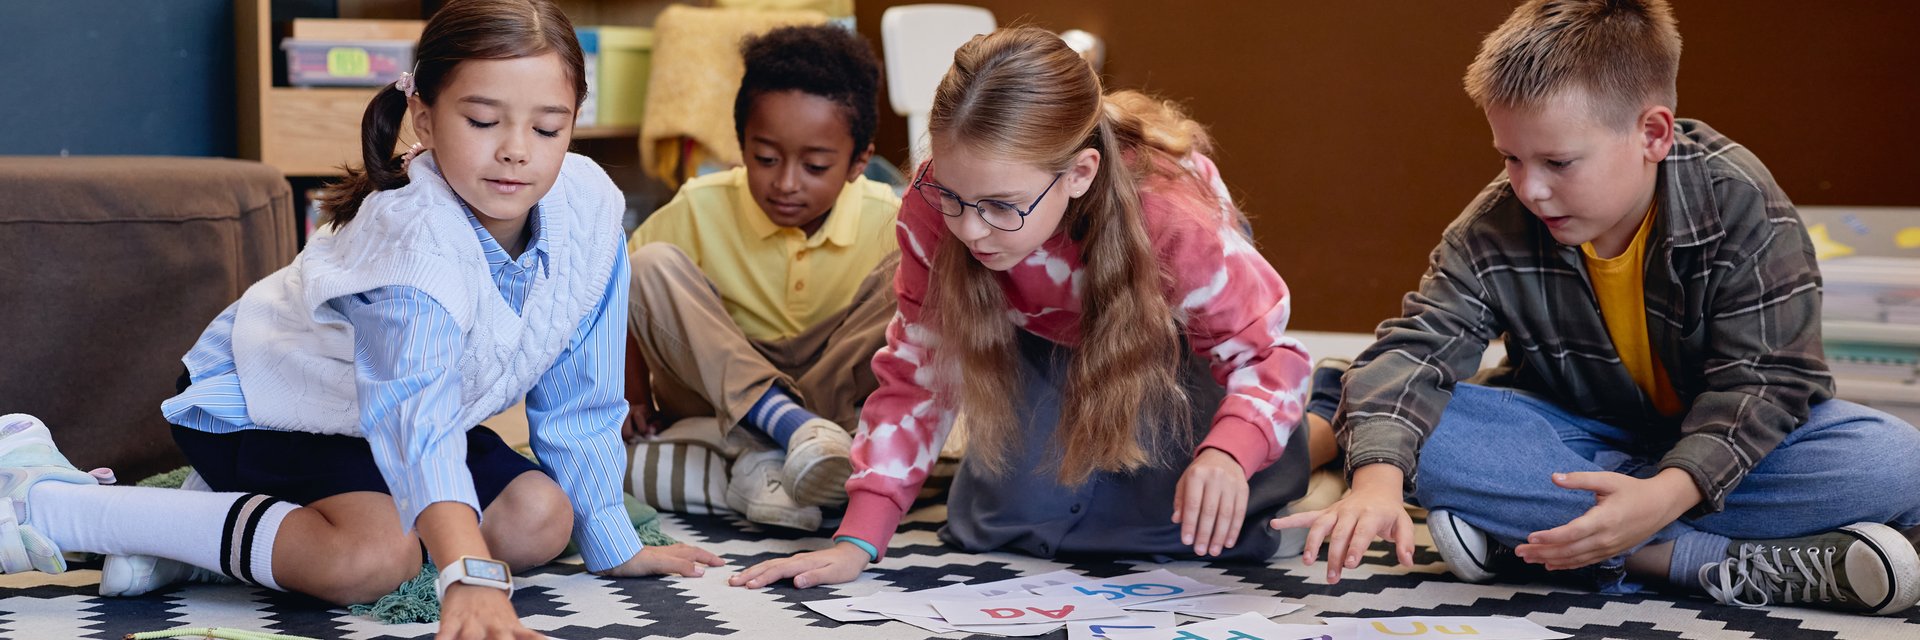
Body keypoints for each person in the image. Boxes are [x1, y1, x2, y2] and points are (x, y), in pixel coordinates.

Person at [0, 2, 722, 638]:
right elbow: (417, 423)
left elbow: (579, 390)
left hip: (395, 414)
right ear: (424, 116)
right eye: (482, 119)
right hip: (273, 405)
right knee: (370, 559)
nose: (515, 149)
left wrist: (611, 538)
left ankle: (211, 531)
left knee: (542, 517)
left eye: (548, 126)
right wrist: (466, 577)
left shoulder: (589, 207)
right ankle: (65, 505)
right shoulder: (413, 238)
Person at [1276, 0, 1920, 615]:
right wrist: (1378, 481)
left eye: (1558, 161)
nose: (1529, 187)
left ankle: (1537, 539)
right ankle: (1699, 561)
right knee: (1431, 439)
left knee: (1893, 462)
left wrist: (1666, 493)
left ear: (1653, 134)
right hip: (1580, 435)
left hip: (1718, 451)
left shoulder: (1737, 200)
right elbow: (1417, 350)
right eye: (1510, 157)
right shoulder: (1495, 224)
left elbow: (1771, 383)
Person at [730, 26, 1334, 590]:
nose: (969, 229)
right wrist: (858, 539)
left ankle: (1328, 422)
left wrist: (1228, 454)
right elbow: (918, 371)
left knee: (1198, 523)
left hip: (1166, 333)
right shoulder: (934, 206)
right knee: (1000, 524)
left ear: (1079, 174)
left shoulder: (1174, 221)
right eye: (952, 196)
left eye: (999, 205)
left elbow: (1265, 355)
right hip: (1043, 327)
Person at [623, 24, 899, 531]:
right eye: (765, 159)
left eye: (815, 166)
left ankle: (765, 453)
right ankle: (788, 429)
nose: (786, 183)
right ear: (741, 144)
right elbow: (619, 297)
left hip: (832, 388)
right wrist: (632, 396)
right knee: (646, 265)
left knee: (921, 269)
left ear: (860, 161)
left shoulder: (888, 217)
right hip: (717, 380)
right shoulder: (700, 205)